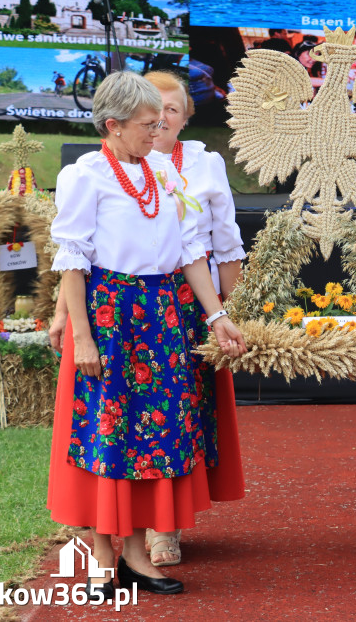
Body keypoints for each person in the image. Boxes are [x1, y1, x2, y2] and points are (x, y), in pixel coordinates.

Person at [46, 71, 246, 598]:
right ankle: (100, 558)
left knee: (149, 438)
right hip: (110, 316)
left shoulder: (161, 168)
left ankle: (136, 556)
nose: (158, 132)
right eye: (146, 125)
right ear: (112, 126)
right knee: (105, 436)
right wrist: (81, 338)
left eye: (161, 122)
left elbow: (189, 250)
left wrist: (216, 315)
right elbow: (72, 260)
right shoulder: (85, 175)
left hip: (162, 316)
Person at [143, 70, 247, 567]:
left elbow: (225, 242)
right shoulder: (108, 166)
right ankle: (124, 521)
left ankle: (167, 526)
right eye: (153, 105)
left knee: (178, 412)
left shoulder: (205, 165)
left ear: (186, 117)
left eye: (172, 108)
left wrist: (236, 312)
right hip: (128, 300)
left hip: (192, 303)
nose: (161, 116)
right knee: (128, 412)